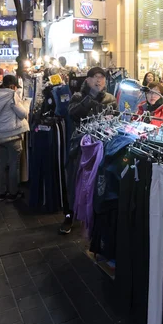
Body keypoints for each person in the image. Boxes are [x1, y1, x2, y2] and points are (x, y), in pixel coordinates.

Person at [62, 67, 118, 234]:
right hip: (80, 145)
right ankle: (69, 215)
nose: (99, 80)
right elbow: (73, 114)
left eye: (102, 77)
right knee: (74, 179)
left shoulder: (110, 98)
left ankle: (93, 216)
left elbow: (116, 118)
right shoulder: (78, 96)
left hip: (101, 145)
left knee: (96, 181)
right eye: (95, 77)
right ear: (87, 80)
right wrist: (91, 96)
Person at [0, 75, 29, 202]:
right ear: (13, 86)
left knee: (2, 164)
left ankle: (1, 193)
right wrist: (25, 104)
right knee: (14, 165)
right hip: (13, 134)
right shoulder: (12, 96)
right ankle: (13, 193)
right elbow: (22, 114)